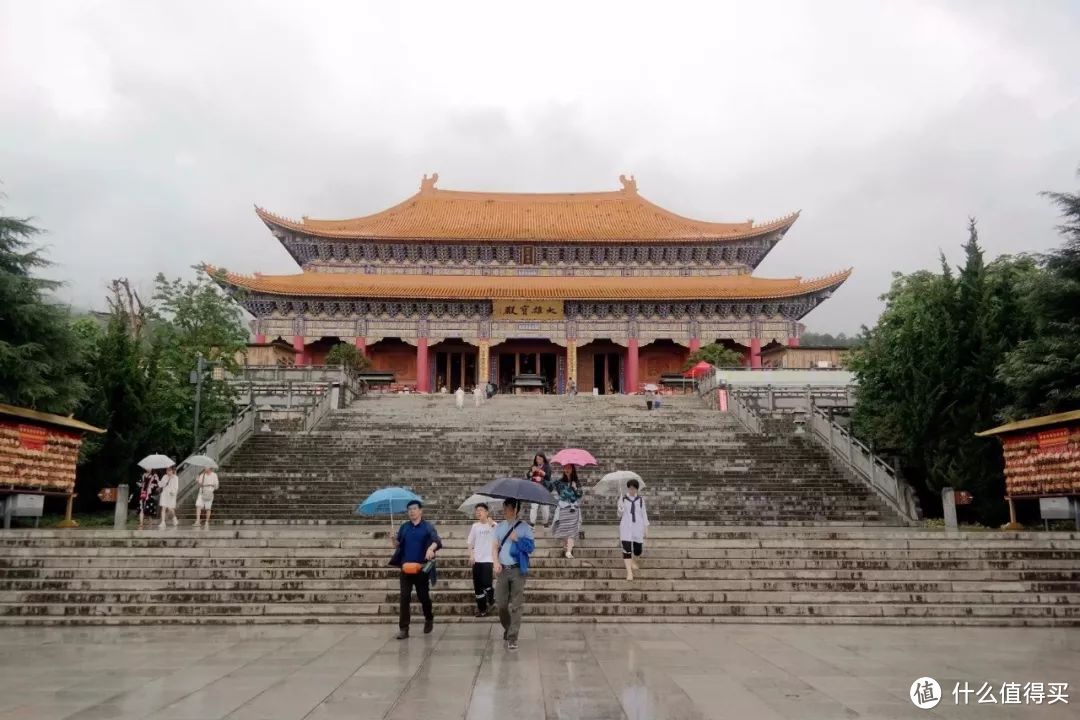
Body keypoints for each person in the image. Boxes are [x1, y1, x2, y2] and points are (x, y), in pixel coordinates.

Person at [390, 500, 442, 639]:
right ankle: (404, 629)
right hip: (406, 568)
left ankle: (429, 617)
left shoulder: (427, 527)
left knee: (423, 597)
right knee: (404, 597)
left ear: (420, 511)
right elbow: (398, 545)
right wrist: (393, 540)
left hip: (421, 568)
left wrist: (431, 548)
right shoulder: (404, 527)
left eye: (414, 508)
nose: (411, 511)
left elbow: (437, 541)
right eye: (409, 509)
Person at [492, 498, 535, 651]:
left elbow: (531, 548)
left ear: (515, 509)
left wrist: (517, 539)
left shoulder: (524, 528)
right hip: (503, 569)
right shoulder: (499, 527)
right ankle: (509, 628)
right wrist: (496, 562)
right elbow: (494, 547)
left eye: (508, 508)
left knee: (516, 605)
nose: (504, 511)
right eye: (504, 507)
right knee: (501, 604)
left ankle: (512, 637)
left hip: (518, 570)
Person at [467, 503, 498, 616]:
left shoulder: (494, 525)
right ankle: (482, 610)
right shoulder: (475, 526)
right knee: (478, 587)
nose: (478, 512)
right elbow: (470, 542)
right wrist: (471, 555)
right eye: (477, 511)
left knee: (486, 583)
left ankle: (491, 597)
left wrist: (492, 525)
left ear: (487, 512)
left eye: (481, 510)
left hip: (488, 559)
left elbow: (499, 537)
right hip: (477, 560)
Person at [617, 479, 649, 581]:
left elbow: (644, 514)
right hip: (626, 527)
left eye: (634, 488)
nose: (632, 490)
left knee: (638, 550)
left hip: (637, 528)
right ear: (628, 488)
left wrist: (646, 528)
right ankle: (629, 572)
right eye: (630, 488)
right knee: (627, 550)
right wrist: (620, 509)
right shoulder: (623, 499)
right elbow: (619, 515)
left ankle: (634, 560)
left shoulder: (640, 500)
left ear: (636, 489)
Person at [551, 464, 583, 558]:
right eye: (565, 468)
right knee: (564, 529)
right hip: (563, 508)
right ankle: (567, 547)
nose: (567, 469)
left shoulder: (576, 482)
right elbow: (556, 490)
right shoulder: (559, 482)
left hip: (573, 509)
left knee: (572, 530)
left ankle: (569, 551)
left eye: (569, 468)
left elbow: (579, 495)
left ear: (573, 469)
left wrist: (574, 487)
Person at [527, 452, 553, 527]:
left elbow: (548, 477)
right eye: (537, 459)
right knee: (533, 507)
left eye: (540, 459)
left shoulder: (547, 467)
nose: (538, 460)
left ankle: (545, 522)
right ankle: (532, 523)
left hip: (544, 490)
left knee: (545, 507)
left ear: (543, 459)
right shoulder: (534, 466)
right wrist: (532, 472)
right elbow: (528, 475)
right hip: (534, 490)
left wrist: (541, 473)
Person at [158, 466, 180, 530]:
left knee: (170, 509)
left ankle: (174, 518)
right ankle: (163, 522)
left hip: (171, 495)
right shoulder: (165, 477)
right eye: (167, 470)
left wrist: (173, 492)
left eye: (169, 470)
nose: (168, 471)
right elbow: (161, 485)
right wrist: (161, 482)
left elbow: (176, 487)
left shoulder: (175, 477)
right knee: (163, 508)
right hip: (165, 494)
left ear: (172, 470)